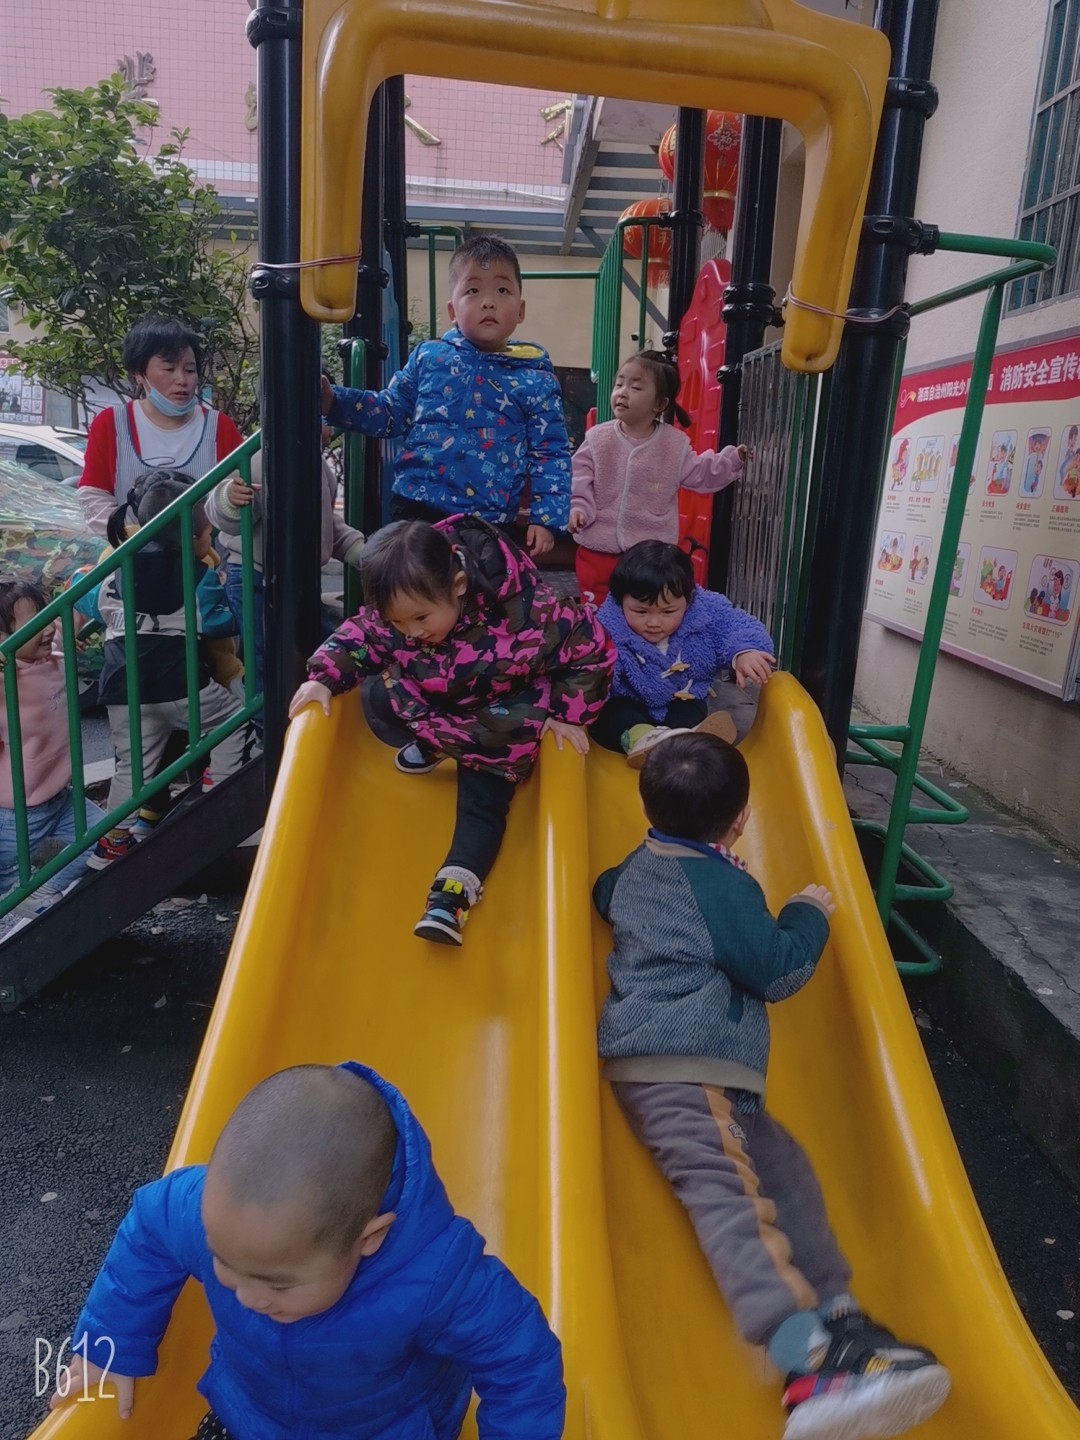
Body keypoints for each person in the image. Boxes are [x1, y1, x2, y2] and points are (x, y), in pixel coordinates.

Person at [594, 732, 951, 1440]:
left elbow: (604, 891)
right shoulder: (721, 887)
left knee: (785, 1172)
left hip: (706, 1076)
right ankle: (807, 1363)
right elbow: (777, 969)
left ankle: (837, 1314)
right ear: (742, 819)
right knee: (727, 1201)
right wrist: (807, 912)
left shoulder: (637, 868)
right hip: (681, 1067)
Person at [51, 1061, 565, 1438]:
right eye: (224, 1263)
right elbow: (148, 1225)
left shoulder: (436, 1275)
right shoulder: (214, 1216)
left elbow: (521, 1363)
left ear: (369, 1239)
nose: (248, 1296)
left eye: (277, 1283)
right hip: (248, 1418)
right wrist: (109, 1342)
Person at [290, 516, 613, 944]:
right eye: (399, 623)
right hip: (436, 703)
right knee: (380, 700)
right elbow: (361, 636)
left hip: (498, 722)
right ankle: (436, 743)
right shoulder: (407, 612)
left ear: (458, 585)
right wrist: (323, 678)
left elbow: (592, 650)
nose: (412, 631)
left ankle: (453, 893)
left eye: (420, 618)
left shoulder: (528, 613)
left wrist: (567, 713)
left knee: (482, 801)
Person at [320, 235, 571, 557]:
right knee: (410, 583)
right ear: (453, 310)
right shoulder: (430, 357)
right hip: (416, 504)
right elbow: (390, 411)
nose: (488, 302)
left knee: (472, 587)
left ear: (520, 310)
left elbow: (550, 452)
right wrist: (334, 401)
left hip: (486, 520)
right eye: (473, 290)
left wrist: (546, 518)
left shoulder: (534, 379)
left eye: (502, 290)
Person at [80, 472, 255, 868]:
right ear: (192, 539)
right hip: (180, 685)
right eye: (208, 533)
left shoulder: (115, 570)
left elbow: (88, 600)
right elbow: (220, 624)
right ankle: (218, 783)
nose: (211, 539)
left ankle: (111, 843)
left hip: (123, 690)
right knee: (234, 718)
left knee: (132, 771)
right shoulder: (200, 576)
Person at [205, 438, 365, 732]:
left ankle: (319, 718)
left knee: (322, 646)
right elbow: (221, 510)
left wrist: (363, 553)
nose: (328, 426)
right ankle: (265, 728)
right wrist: (229, 499)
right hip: (253, 573)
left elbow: (328, 526)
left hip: (301, 577)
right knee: (263, 657)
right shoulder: (260, 457)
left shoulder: (318, 467)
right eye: (322, 418)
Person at [567, 349, 744, 605]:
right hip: (598, 551)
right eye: (619, 384)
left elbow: (700, 474)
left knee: (643, 611)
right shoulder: (598, 438)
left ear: (659, 404)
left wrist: (732, 460)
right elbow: (579, 478)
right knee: (597, 613)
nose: (622, 392)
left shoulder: (673, 445)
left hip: (649, 557)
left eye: (636, 387)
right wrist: (578, 508)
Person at [592, 540, 774, 767]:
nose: (654, 622)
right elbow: (595, 666)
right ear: (621, 602)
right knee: (615, 712)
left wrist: (745, 651)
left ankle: (683, 736)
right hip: (631, 701)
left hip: (681, 697)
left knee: (690, 707)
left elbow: (735, 626)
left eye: (668, 611)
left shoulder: (705, 611)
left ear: (688, 601)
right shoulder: (608, 626)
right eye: (641, 611)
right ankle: (642, 739)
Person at [78, 316, 243, 537]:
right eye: (169, 368)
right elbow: (93, 495)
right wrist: (132, 538)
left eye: (190, 370)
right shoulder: (111, 424)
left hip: (207, 555)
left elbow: (238, 492)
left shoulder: (219, 427)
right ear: (139, 374)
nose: (182, 380)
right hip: (134, 553)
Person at [0, 580, 104, 917]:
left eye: (45, 617)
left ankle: (42, 891)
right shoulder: (4, 679)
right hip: (17, 813)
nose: (47, 629)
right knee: (6, 879)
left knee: (106, 835)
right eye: (33, 624)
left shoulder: (52, 647)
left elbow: (75, 605)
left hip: (61, 798)